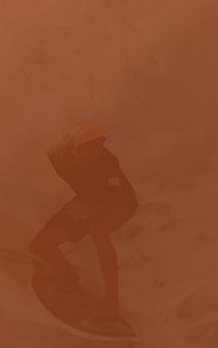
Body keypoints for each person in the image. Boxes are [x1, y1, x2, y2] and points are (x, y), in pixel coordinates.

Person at [32, 120, 140, 318]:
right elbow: (38, 135)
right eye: (88, 148)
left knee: (99, 230)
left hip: (119, 202)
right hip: (87, 198)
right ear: (74, 149)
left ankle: (111, 304)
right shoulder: (59, 155)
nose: (96, 153)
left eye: (100, 145)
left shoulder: (108, 163)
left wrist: (88, 209)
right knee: (40, 246)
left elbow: (113, 198)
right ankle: (65, 275)